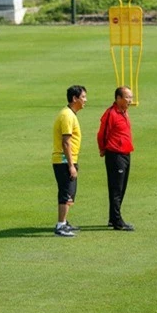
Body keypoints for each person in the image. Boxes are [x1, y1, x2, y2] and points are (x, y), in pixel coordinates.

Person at [97, 86, 135, 231]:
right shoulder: (111, 113)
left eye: (131, 97)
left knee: (122, 188)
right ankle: (117, 221)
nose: (130, 100)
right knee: (116, 189)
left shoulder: (124, 112)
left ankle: (113, 218)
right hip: (115, 154)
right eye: (127, 97)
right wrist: (102, 148)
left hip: (125, 153)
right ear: (118, 98)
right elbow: (102, 133)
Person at [52, 85, 87, 237]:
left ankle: (64, 222)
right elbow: (66, 142)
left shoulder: (70, 114)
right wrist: (71, 165)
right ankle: (60, 226)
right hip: (64, 160)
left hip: (67, 160)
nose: (85, 100)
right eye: (83, 97)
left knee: (69, 192)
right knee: (66, 193)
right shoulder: (67, 116)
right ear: (75, 98)